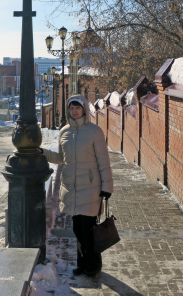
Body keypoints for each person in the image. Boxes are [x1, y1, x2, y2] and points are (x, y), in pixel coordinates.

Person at [40, 94, 113, 277]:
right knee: (76, 230)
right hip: (70, 188)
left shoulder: (95, 132)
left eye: (77, 108)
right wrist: (44, 153)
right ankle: (82, 263)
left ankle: (94, 265)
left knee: (88, 229)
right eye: (71, 108)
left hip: (90, 188)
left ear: (84, 110)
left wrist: (107, 187)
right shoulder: (64, 132)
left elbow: (103, 161)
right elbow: (61, 158)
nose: (74, 111)